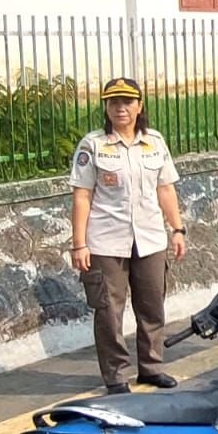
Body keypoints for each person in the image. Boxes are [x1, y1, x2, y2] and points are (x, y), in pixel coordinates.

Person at [68, 77, 186, 395]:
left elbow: (165, 189)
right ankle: (116, 375)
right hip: (106, 240)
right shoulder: (93, 145)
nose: (121, 108)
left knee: (152, 306)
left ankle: (151, 367)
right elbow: (82, 196)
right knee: (109, 312)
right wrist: (79, 244)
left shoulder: (154, 142)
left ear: (139, 106)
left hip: (150, 238)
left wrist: (177, 229)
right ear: (106, 107)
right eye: (114, 102)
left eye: (127, 101)